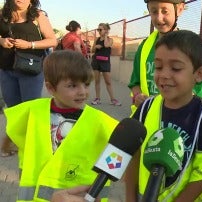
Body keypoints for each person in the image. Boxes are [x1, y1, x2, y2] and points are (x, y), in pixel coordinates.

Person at [4, 50, 119, 201]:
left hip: (78, 195)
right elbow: (12, 129)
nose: (82, 92)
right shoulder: (33, 110)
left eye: (86, 84)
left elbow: (124, 145)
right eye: (72, 86)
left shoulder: (99, 120)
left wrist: (114, 172)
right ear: (51, 88)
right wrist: (6, 146)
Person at [125, 30, 202, 202]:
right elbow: (133, 153)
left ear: (199, 74)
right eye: (158, 67)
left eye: (176, 68)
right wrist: (130, 197)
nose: (163, 75)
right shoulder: (146, 107)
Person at [128, 0, 202, 113]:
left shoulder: (191, 47)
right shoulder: (144, 47)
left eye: (165, 11)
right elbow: (135, 83)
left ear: (180, 9)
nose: (159, 18)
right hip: (147, 117)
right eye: (154, 12)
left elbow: (199, 92)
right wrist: (137, 97)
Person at [0, 0, 57, 157]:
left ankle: (31, 147)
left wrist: (29, 45)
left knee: (31, 110)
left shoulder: (38, 16)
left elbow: (52, 40)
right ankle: (15, 144)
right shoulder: (3, 15)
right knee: (13, 111)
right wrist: (1, 40)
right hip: (6, 70)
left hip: (30, 71)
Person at [90, 23, 121, 106]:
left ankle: (113, 99)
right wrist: (95, 47)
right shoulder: (97, 39)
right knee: (97, 81)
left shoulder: (110, 40)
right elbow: (92, 50)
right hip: (96, 61)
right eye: (98, 30)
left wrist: (106, 36)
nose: (99, 31)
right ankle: (97, 98)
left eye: (100, 30)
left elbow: (107, 45)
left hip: (105, 62)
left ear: (106, 30)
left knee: (108, 82)